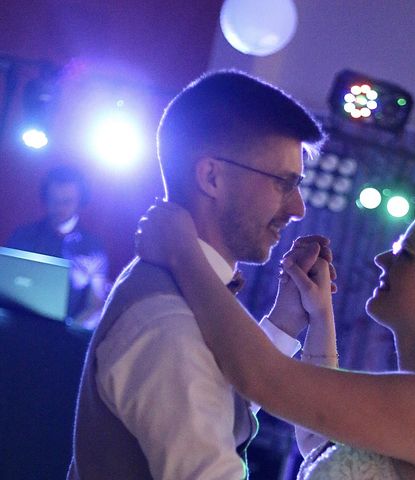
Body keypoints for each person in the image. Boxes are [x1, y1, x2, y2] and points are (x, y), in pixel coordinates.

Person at [135, 200, 415, 479]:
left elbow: (262, 378)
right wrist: (318, 314)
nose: (382, 259)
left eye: (405, 254)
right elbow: (324, 445)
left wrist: (183, 253)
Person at [68, 70, 329, 479]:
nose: (297, 207)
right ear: (211, 177)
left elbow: (216, 401)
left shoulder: (174, 294)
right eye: (283, 182)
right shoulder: (167, 321)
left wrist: (284, 323)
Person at [6, 165, 109, 328]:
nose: (60, 207)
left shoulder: (93, 248)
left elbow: (96, 304)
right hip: (17, 327)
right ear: (45, 199)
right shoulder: (23, 236)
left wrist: (72, 331)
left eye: (67, 201)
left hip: (63, 340)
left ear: (80, 201)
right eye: (54, 200)